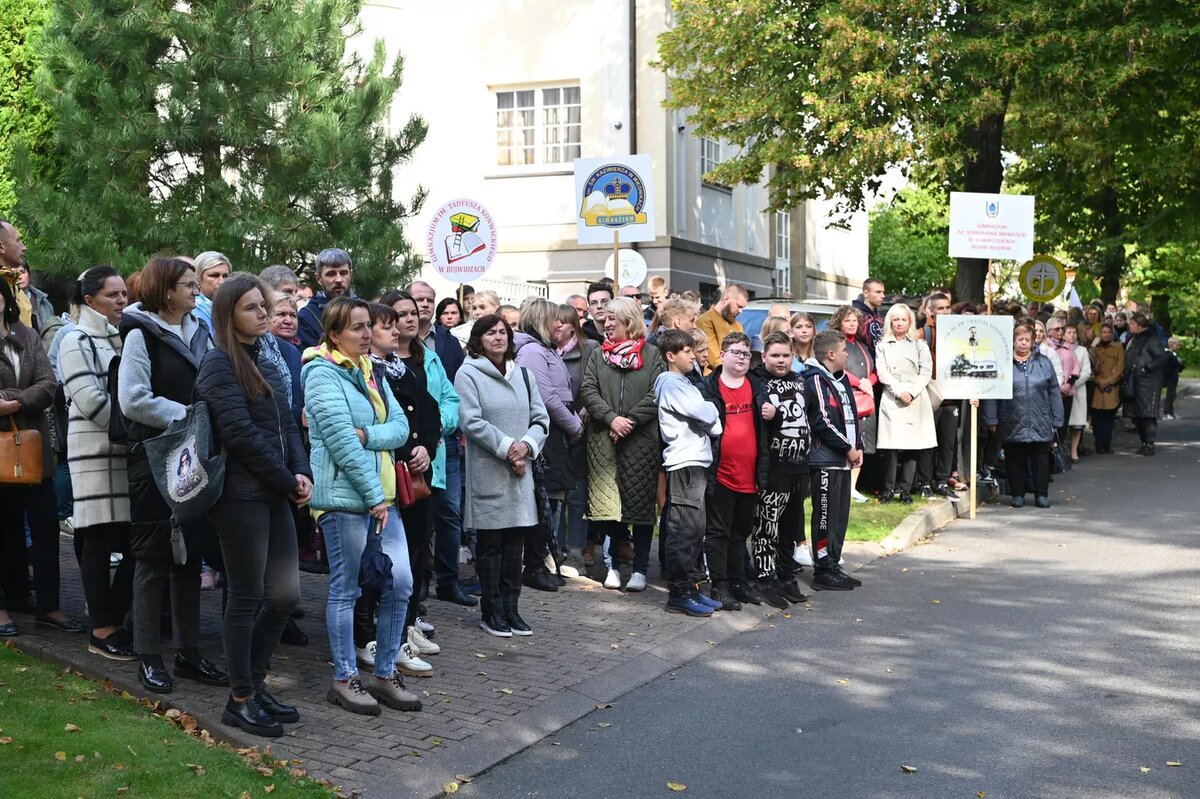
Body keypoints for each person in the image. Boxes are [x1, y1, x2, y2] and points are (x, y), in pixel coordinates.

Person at [195, 275, 310, 737]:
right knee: (245, 597)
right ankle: (239, 698)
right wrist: (286, 480)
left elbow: (287, 423)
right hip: (240, 497)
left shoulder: (266, 357)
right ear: (228, 314)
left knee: (284, 596)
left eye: (264, 305)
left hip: (275, 491)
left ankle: (254, 684)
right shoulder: (218, 364)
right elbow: (240, 436)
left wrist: (301, 473)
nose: (263, 314)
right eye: (251, 308)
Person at [301, 296, 420, 716]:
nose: (367, 333)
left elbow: (401, 429)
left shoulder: (372, 369)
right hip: (345, 500)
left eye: (368, 325)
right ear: (334, 334)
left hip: (382, 500)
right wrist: (372, 496)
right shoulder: (320, 373)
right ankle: (345, 677)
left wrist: (370, 435)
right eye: (357, 327)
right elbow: (338, 442)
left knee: (401, 583)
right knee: (346, 589)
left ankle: (384, 673)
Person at [118, 257, 226, 692]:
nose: (196, 290)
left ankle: (189, 653)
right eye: (187, 284)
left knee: (190, 555)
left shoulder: (201, 332)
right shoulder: (139, 335)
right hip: (153, 458)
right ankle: (148, 654)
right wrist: (191, 416)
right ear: (165, 291)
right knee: (152, 557)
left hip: (194, 458)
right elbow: (133, 399)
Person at [0, 275, 84, 639]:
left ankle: (48, 606)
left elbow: (48, 384)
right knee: (3, 533)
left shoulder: (27, 336)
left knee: (47, 528)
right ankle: (5, 603)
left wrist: (14, 401)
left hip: (33, 451)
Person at [455, 315, 549, 637]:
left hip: (520, 475)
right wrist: (509, 447)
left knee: (515, 547)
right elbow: (471, 421)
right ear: (478, 338)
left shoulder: (523, 374)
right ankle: (491, 611)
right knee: (491, 546)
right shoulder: (468, 373)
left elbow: (541, 418)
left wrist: (526, 445)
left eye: (503, 332)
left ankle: (512, 609)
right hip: (490, 471)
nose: (498, 337)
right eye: (491, 333)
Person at [58, 266, 135, 658]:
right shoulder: (75, 338)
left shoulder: (122, 336)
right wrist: (135, 428)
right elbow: (88, 400)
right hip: (95, 452)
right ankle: (102, 630)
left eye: (124, 294)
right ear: (89, 300)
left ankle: (113, 621)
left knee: (133, 541)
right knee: (99, 538)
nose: (122, 300)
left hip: (124, 453)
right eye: (113, 295)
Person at [364, 300, 442, 677]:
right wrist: (406, 446)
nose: (397, 331)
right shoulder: (365, 373)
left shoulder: (404, 370)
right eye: (387, 326)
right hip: (382, 477)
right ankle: (369, 638)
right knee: (377, 563)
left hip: (413, 479)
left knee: (411, 558)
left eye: (397, 325)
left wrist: (426, 447)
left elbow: (430, 413)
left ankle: (403, 633)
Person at [383, 289, 468, 611]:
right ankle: (398, 607)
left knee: (433, 526)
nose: (407, 319)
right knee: (396, 538)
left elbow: (448, 400)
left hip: (430, 458)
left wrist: (433, 435)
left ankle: (419, 603)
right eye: (399, 314)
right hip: (394, 462)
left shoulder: (428, 358)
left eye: (410, 312)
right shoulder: (380, 364)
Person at [581, 297, 665, 592]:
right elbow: (588, 390)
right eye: (604, 319)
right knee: (609, 509)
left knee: (640, 508)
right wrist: (611, 419)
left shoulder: (653, 354)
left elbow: (657, 393)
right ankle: (612, 567)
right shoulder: (597, 356)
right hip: (604, 441)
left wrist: (627, 421)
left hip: (640, 441)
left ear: (629, 320)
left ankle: (640, 569)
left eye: (612, 318)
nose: (606, 323)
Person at [514, 299, 583, 590]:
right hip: (549, 431)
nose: (559, 324)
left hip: (557, 431)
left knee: (550, 501)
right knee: (543, 502)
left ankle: (542, 561)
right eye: (553, 319)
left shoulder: (544, 350)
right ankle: (534, 564)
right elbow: (545, 396)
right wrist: (575, 424)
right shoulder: (532, 351)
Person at [654, 328, 722, 617]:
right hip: (684, 463)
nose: (692, 355)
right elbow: (708, 415)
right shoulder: (670, 383)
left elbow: (710, 415)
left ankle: (691, 587)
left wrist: (710, 414)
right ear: (671, 356)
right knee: (683, 530)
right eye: (685, 351)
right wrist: (710, 414)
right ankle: (679, 593)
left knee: (695, 530)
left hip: (697, 462)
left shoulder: (685, 383)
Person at [701, 331, 768, 609]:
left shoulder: (757, 384)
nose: (742, 358)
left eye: (746, 353)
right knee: (719, 532)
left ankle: (739, 580)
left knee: (741, 531)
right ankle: (720, 585)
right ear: (723, 355)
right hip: (721, 473)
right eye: (737, 352)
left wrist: (773, 414)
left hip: (751, 473)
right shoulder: (709, 386)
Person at [748, 331, 812, 609]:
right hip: (772, 467)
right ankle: (765, 578)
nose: (781, 360)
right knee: (767, 526)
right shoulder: (755, 382)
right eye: (775, 355)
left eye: (786, 355)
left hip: (799, 467)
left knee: (791, 525)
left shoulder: (799, 381)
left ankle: (786, 576)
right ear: (764, 356)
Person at [803, 329, 863, 590]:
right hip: (826, 460)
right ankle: (823, 568)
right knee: (825, 516)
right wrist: (847, 447)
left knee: (840, 516)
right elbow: (822, 421)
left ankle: (834, 563)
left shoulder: (841, 380)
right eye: (843, 351)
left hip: (843, 460)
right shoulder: (815, 379)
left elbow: (851, 415)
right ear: (830, 354)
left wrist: (857, 445)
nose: (847, 354)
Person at [983, 321, 1062, 507]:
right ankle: (1017, 494)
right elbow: (992, 391)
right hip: (1011, 417)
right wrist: (991, 418)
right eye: (1020, 339)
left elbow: (1054, 391)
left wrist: (1058, 417)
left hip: (1040, 417)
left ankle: (1041, 494)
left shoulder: (1044, 363)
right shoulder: (1003, 363)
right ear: (1013, 341)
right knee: (1014, 457)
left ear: (1033, 340)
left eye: (1027, 339)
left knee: (1041, 459)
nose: (1023, 343)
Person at [875, 303, 936, 503]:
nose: (899, 323)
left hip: (915, 398)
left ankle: (906, 490)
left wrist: (911, 391)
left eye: (903, 319)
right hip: (893, 397)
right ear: (890, 322)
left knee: (913, 446)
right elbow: (882, 372)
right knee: (891, 446)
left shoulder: (919, 344)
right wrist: (899, 391)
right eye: (896, 319)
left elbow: (926, 371)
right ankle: (888, 489)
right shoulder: (882, 346)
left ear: (909, 321)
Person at [558, 303, 598, 571]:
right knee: (556, 492)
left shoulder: (590, 350)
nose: (556, 327)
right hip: (555, 430)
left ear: (573, 324)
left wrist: (587, 408)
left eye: (561, 322)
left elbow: (597, 384)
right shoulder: (546, 352)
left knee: (577, 493)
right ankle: (556, 549)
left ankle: (576, 552)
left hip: (584, 430)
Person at [832, 306, 877, 503]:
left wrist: (870, 382)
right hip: (846, 398)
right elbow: (836, 369)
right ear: (839, 323)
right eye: (847, 320)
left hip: (865, 400)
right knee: (848, 441)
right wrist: (858, 382)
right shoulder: (836, 344)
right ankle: (842, 487)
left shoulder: (863, 346)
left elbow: (875, 370)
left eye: (854, 321)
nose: (851, 324)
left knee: (862, 442)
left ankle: (853, 487)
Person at [917, 293, 958, 497]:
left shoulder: (958, 331)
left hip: (952, 395)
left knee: (948, 441)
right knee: (928, 441)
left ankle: (942, 479)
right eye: (940, 308)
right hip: (930, 395)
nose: (945, 311)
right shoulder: (922, 334)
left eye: (947, 307)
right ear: (930, 310)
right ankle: (925, 481)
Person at [1122, 312, 1167, 455]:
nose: (1130, 326)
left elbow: (1161, 358)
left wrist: (1146, 368)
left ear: (1139, 325)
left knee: (1148, 414)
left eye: (1132, 323)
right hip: (1135, 382)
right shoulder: (1133, 339)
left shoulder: (1151, 339)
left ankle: (1149, 444)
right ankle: (1144, 443)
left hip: (1148, 384)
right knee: (1137, 415)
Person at [297, 248, 354, 348]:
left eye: (343, 273)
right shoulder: (307, 317)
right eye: (331, 274)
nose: (339, 280)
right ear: (319, 278)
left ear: (351, 275)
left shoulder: (365, 310)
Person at [695, 284, 749, 372]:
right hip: (714, 378)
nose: (740, 311)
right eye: (738, 306)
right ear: (726, 299)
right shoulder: (705, 321)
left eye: (742, 308)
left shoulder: (738, 326)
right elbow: (714, 359)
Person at [1090, 323, 1125, 453]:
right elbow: (1092, 367)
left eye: (1108, 332)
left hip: (1111, 389)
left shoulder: (1118, 347)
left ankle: (1107, 444)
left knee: (1109, 419)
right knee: (1097, 419)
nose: (1106, 334)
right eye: (1103, 332)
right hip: (1097, 389)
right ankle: (1098, 444)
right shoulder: (1095, 348)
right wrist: (1099, 381)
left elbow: (1120, 367)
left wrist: (1109, 381)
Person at [1062, 324, 1091, 461]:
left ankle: (1074, 451)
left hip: (1078, 391)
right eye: (1069, 332)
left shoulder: (1082, 351)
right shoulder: (1058, 350)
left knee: (1077, 423)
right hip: (1062, 391)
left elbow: (1086, 372)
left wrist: (1073, 384)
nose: (1072, 335)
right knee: (1063, 422)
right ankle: (1062, 449)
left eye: (1074, 332)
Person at [191, 251, 231, 332]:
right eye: (214, 275)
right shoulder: (192, 311)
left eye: (225, 276)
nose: (221, 281)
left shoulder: (232, 308)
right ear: (197, 278)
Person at [851, 277, 886, 354]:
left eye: (883, 292)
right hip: (862, 361)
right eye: (878, 292)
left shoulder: (881, 317)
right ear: (866, 293)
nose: (883, 296)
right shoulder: (854, 316)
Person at [1162, 337, 1184, 420]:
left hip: (1171, 377)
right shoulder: (1170, 355)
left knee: (1172, 395)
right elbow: (1178, 365)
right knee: (1170, 396)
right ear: (1171, 345)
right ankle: (1167, 413)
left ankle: (1170, 413)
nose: (1178, 347)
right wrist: (1181, 366)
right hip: (1171, 377)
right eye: (1177, 345)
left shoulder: (1169, 354)